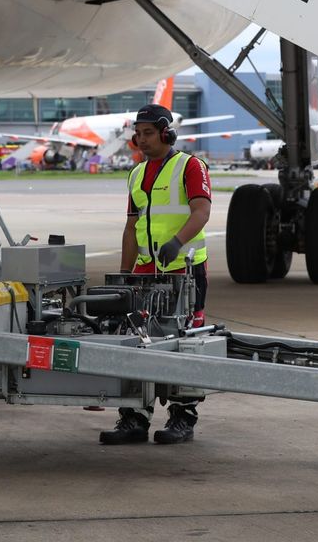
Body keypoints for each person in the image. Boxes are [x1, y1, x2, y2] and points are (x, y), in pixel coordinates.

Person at [100, 103, 211, 446]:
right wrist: (124, 275)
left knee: (184, 346)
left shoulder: (189, 166)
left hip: (184, 271)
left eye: (148, 133)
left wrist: (178, 243)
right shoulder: (135, 174)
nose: (141, 140)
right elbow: (131, 228)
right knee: (134, 343)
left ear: (166, 133)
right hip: (146, 274)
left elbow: (202, 211)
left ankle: (182, 417)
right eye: (138, 134)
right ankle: (134, 417)